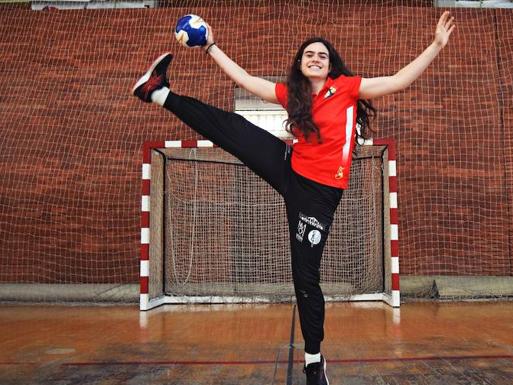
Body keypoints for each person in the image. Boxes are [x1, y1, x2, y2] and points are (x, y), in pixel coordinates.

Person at [132, 11, 455, 385]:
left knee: (305, 278)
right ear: (300, 65)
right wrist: (211, 47)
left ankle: (314, 362)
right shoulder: (294, 95)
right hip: (289, 166)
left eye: (321, 55)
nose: (315, 58)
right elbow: (249, 82)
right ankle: (157, 93)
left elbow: (399, 80)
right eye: (308, 55)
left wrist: (435, 46)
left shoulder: (348, 88)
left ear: (330, 64)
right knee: (234, 129)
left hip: (317, 198)